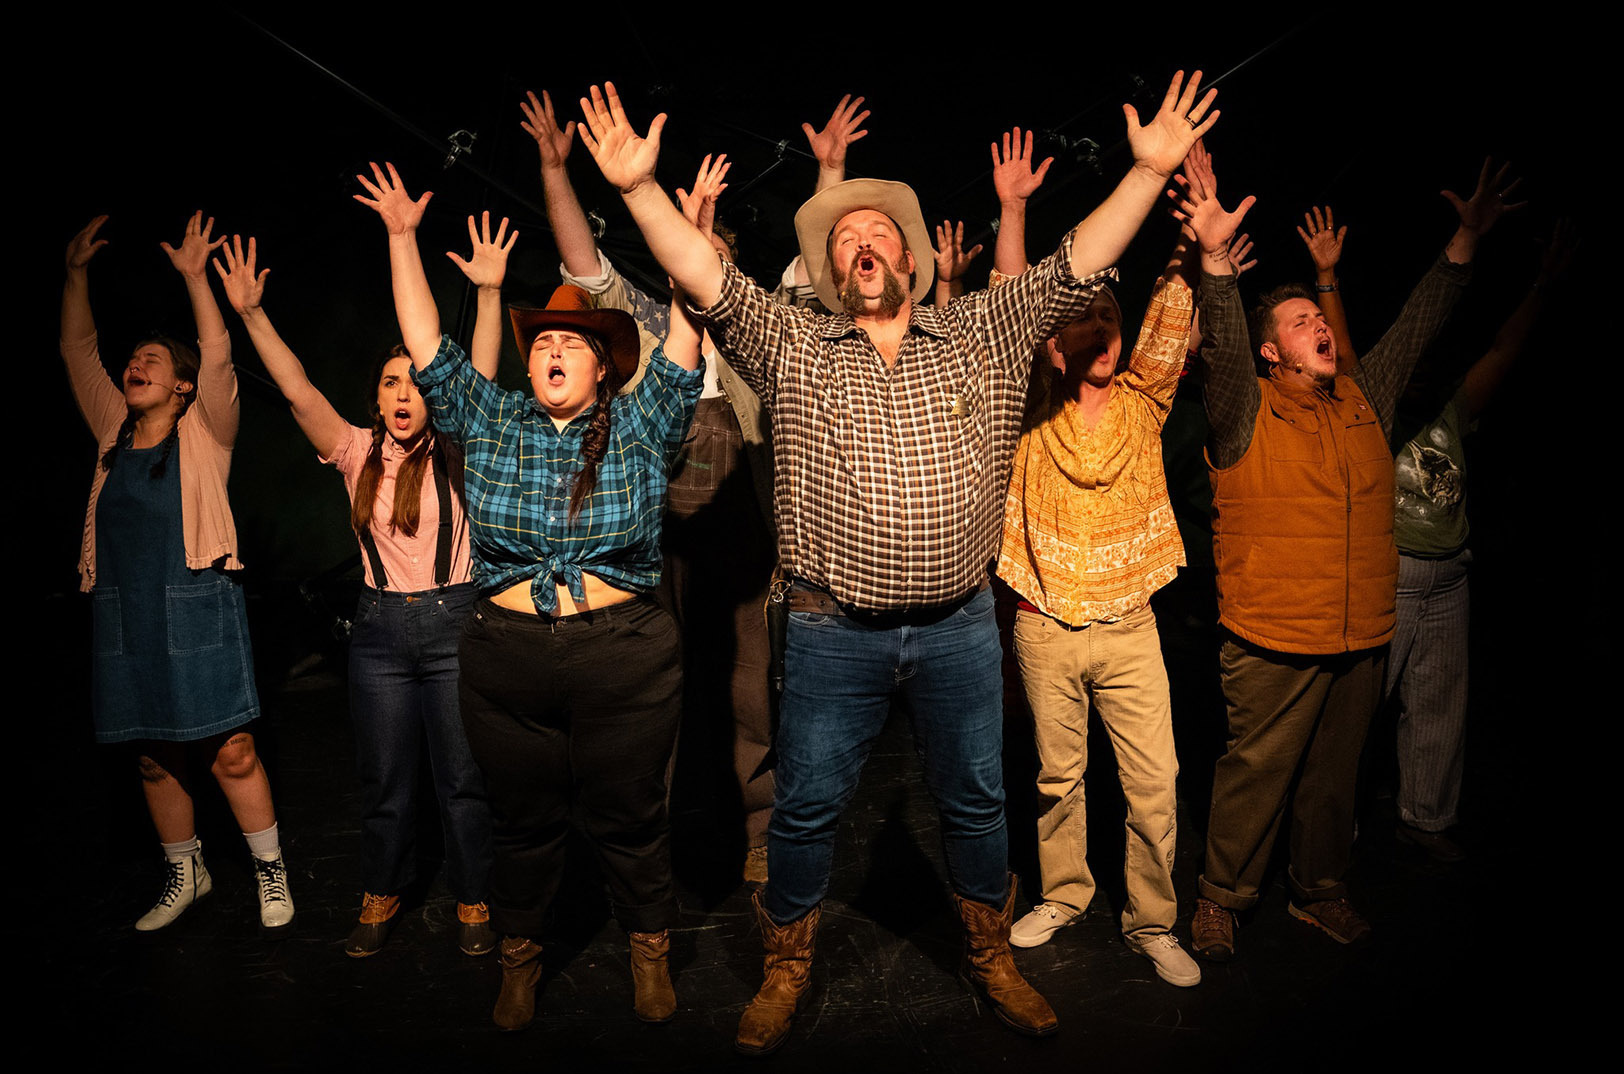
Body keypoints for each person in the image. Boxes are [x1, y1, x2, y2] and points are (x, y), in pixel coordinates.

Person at [576, 72, 1218, 1052]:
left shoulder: (981, 333)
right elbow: (704, 281)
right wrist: (634, 192)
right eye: (842, 239)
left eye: (876, 231)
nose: (860, 242)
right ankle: (787, 966)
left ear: (910, 258)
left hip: (959, 625)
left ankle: (989, 954)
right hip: (833, 633)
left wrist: (1142, 174)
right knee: (806, 810)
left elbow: (1073, 263)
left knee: (973, 799)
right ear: (830, 272)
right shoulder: (789, 341)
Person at [353, 161, 702, 1030]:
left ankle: (649, 953)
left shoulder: (642, 419)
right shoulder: (493, 417)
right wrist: (402, 238)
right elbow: (427, 343)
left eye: (571, 342)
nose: (550, 348)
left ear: (604, 366)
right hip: (506, 656)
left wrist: (687, 253)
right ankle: (519, 959)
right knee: (523, 822)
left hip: (622, 652)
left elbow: (690, 337)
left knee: (631, 817)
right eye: (541, 340)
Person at [1175, 153, 1519, 959]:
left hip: (1363, 632)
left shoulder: (1365, 399)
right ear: (1271, 353)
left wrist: (1464, 244)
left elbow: (1419, 321)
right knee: (1257, 773)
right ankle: (1223, 895)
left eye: (1318, 317)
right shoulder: (1242, 412)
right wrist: (1218, 267)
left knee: (1335, 782)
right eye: (1298, 322)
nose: (1318, 326)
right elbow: (1222, 346)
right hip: (1271, 635)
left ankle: (1319, 891)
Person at [214, 224, 508, 958]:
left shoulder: (459, 443)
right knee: (384, 778)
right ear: (375, 400)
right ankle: (382, 891)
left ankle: (475, 898)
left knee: (463, 782)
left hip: (455, 623)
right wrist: (251, 314)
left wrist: (491, 292)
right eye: (389, 383)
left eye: (415, 383)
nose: (403, 393)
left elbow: (478, 364)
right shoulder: (354, 451)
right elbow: (294, 386)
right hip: (378, 632)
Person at [523, 89, 777, 882]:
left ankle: (762, 835)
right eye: (689, 256)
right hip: (650, 528)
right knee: (647, 691)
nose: (703, 271)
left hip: (739, 525)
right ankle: (646, 846)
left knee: (746, 688)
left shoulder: (762, 335)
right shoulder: (642, 325)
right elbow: (586, 269)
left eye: (715, 260)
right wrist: (555, 167)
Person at [61, 212, 293, 935]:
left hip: (197, 600)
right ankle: (184, 872)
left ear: (185, 387)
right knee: (154, 756)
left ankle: (268, 870)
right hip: (124, 610)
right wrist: (74, 276)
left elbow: (220, 350)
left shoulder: (206, 431)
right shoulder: (111, 431)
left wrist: (196, 279)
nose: (136, 365)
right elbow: (77, 348)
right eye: (135, 359)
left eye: (153, 360)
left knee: (231, 749)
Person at [997, 189, 1201, 988]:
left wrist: (1188, 249)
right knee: (1057, 777)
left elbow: (1168, 321)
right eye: (1083, 324)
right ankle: (1066, 894)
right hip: (1046, 625)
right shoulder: (1028, 406)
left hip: (1129, 623)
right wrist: (1012, 213)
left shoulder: (1145, 405)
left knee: (1155, 785)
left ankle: (1154, 921)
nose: (1103, 335)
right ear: (1052, 347)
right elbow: (1016, 306)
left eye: (1109, 321)